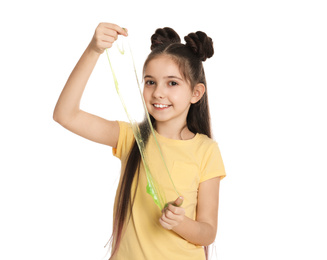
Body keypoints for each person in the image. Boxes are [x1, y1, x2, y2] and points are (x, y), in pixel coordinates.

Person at [53, 22, 226, 260]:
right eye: (150, 81)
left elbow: (207, 233)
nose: (158, 93)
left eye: (172, 83)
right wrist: (94, 50)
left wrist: (180, 222)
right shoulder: (131, 138)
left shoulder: (206, 150)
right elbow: (65, 114)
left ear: (196, 93)